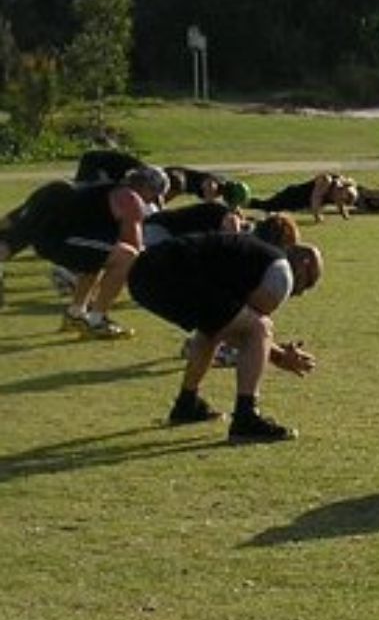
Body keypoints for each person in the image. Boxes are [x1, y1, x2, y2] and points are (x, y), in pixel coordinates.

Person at [130, 231, 324, 442]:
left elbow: (229, 323)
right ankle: (245, 417)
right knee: (260, 327)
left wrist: (275, 353)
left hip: (141, 274)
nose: (301, 293)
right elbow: (250, 331)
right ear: (304, 263)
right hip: (172, 272)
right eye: (309, 282)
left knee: (212, 327)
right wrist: (279, 356)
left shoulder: (255, 256)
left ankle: (187, 403)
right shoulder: (281, 274)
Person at [26, 166, 170, 339]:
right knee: (127, 256)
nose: (153, 200)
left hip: (50, 236)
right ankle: (96, 321)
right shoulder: (130, 199)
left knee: (101, 256)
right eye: (155, 194)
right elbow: (134, 244)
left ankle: (76, 314)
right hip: (58, 238)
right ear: (147, 188)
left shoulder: (115, 189)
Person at [247, 172, 359, 223]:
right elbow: (315, 199)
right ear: (343, 188)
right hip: (292, 196)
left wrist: (345, 216)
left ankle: (250, 217)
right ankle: (242, 201)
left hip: (299, 204)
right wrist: (318, 218)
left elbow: (340, 203)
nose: (342, 201)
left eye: (346, 201)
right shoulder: (327, 180)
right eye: (345, 198)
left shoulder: (339, 193)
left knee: (272, 215)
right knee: (266, 206)